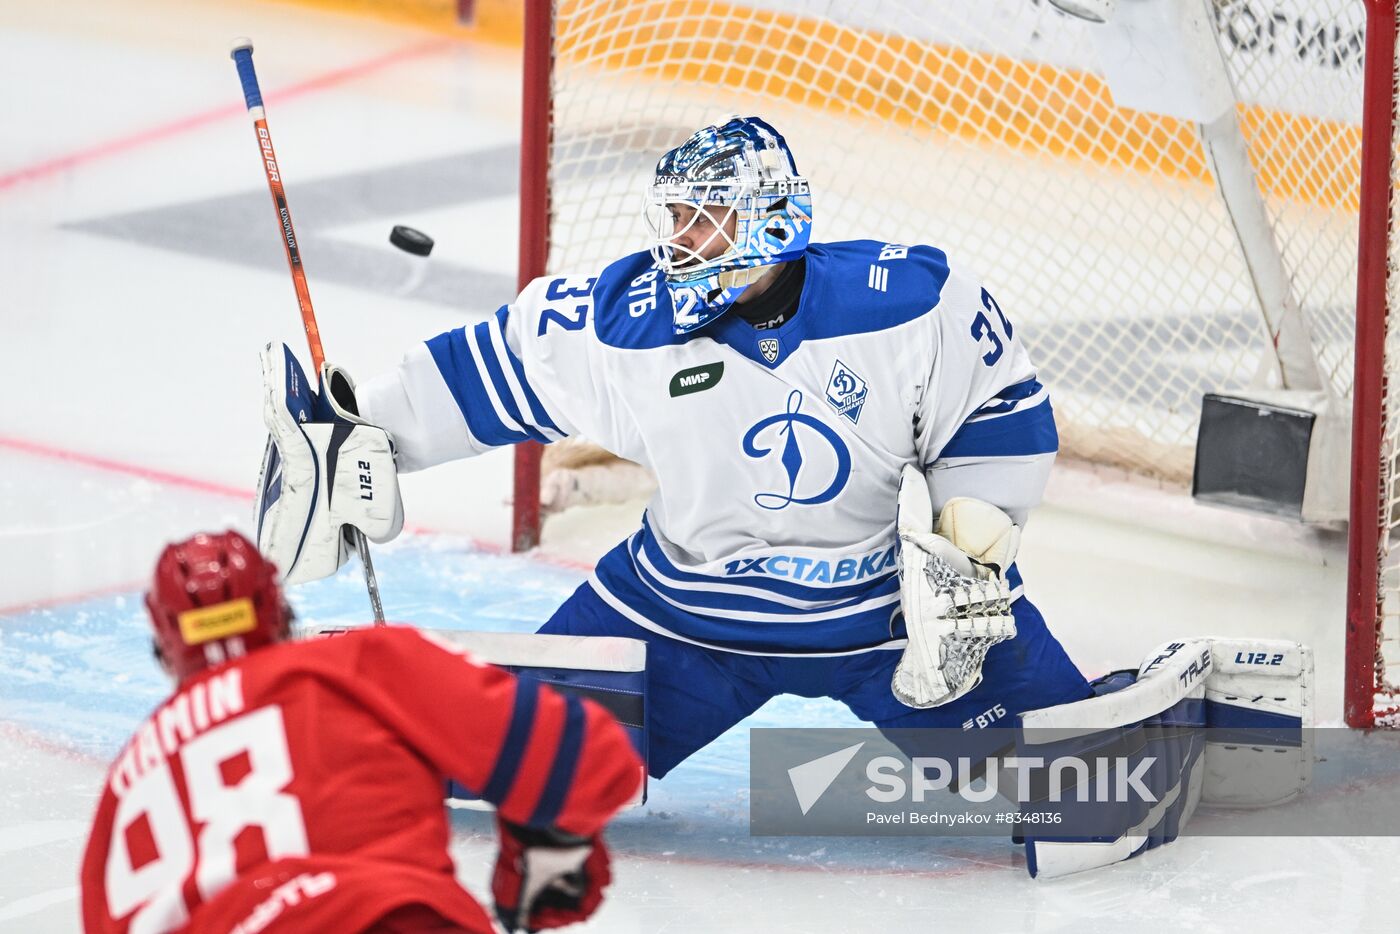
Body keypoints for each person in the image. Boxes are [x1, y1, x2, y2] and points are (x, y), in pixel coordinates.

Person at [256, 114, 1090, 784]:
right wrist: (366, 432)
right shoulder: (626, 324)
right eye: (678, 217)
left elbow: (999, 409)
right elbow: (494, 371)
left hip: (885, 622)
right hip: (683, 618)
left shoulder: (908, 303)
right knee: (523, 769)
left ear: (773, 215)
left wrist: (965, 559)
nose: (684, 239)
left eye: (708, 216)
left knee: (1077, 785)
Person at [79, 530, 642, 933]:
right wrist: (543, 849)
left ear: (164, 649)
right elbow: (586, 759)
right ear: (281, 614)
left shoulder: (128, 783)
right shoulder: (352, 666)